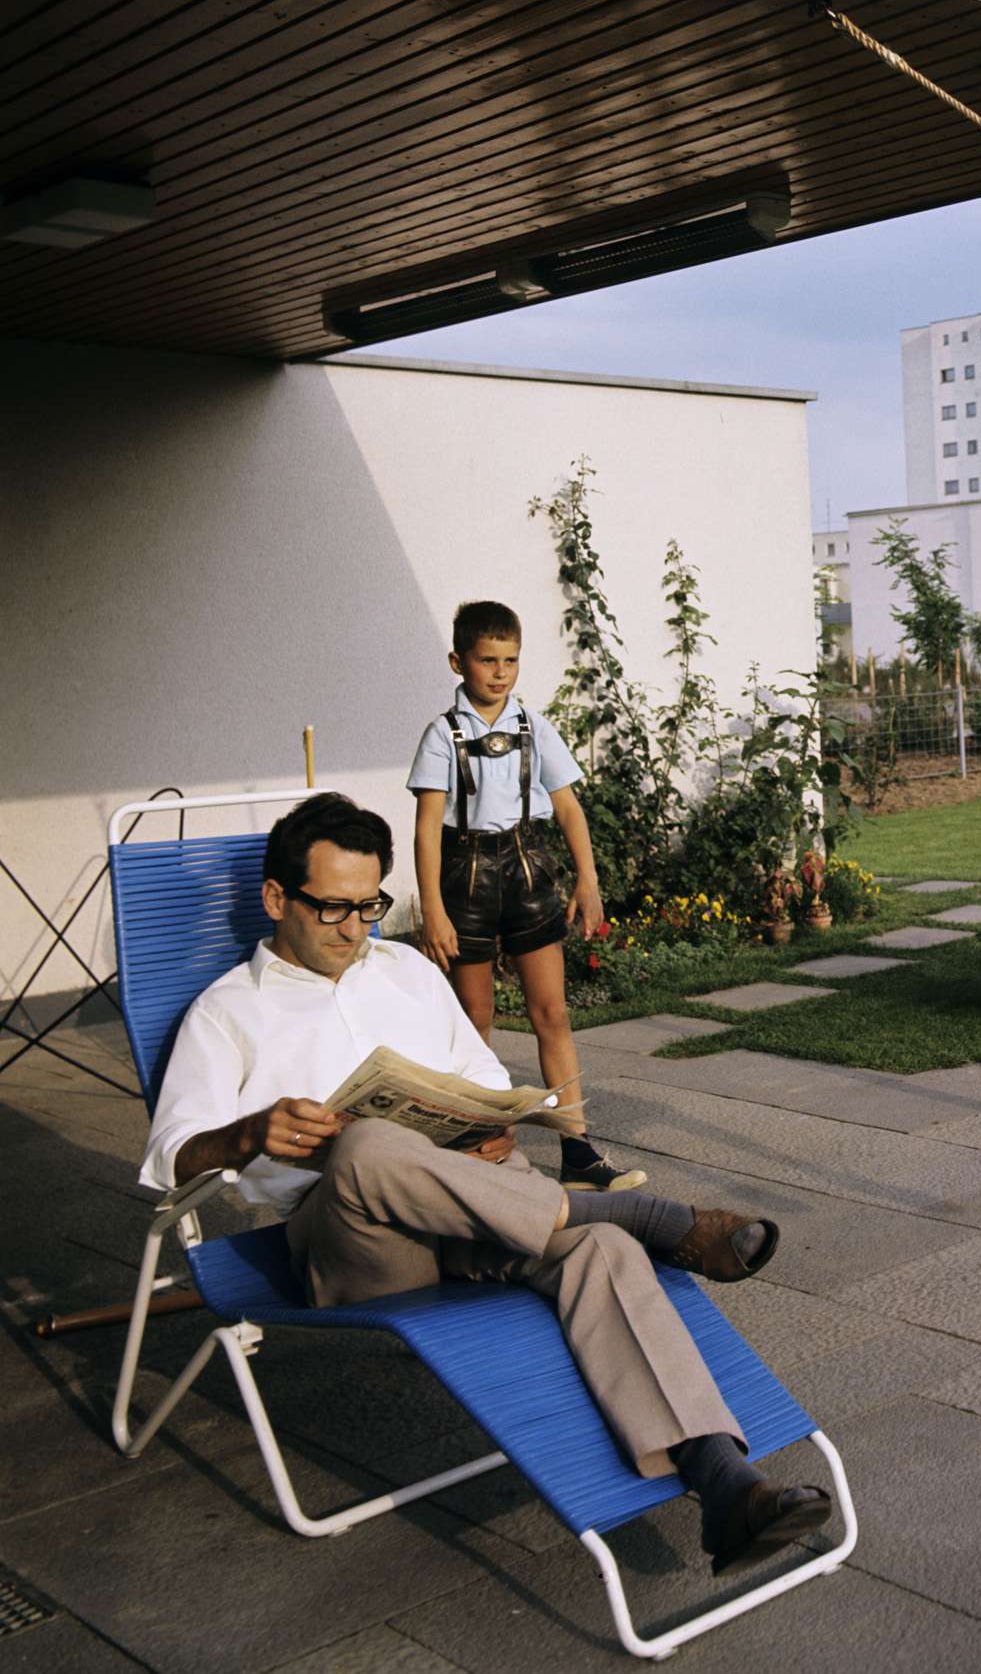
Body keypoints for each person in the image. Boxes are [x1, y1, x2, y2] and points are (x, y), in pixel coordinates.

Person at [137, 793, 832, 1574]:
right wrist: (244, 1133)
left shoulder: (405, 971)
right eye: (332, 908)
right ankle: (649, 1213)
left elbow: (481, 1079)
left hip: (484, 1201)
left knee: (600, 1250)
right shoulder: (227, 1013)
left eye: (368, 906)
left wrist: (488, 1122)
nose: (353, 928)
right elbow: (167, 1159)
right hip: (363, 1248)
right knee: (365, 1146)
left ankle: (725, 1484)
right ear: (276, 898)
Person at [408, 600, 638, 1191]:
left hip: (529, 869)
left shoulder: (535, 727)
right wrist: (432, 908)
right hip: (467, 875)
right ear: (459, 661)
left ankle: (578, 1150)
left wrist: (588, 880)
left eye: (510, 660)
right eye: (488, 660)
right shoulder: (443, 735)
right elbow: (427, 829)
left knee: (552, 1013)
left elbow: (568, 807)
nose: (500, 672)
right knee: (474, 1018)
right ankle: (475, 1144)